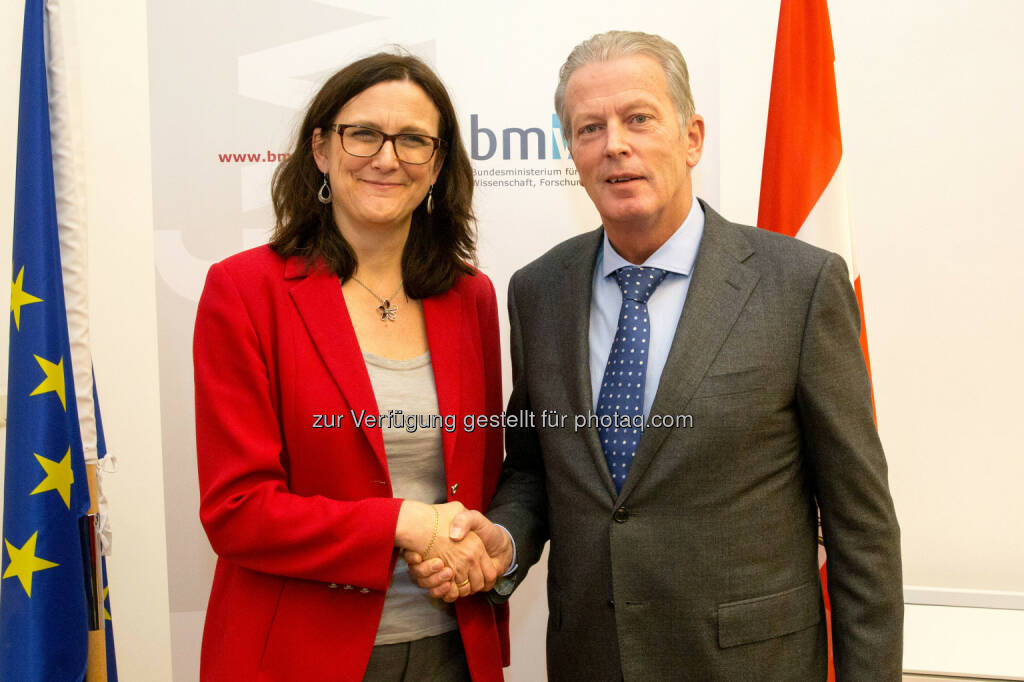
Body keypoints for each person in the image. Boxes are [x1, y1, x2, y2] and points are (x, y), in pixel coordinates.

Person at [408, 30, 903, 680]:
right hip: (592, 659)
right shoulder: (538, 291)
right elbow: (533, 470)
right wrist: (505, 540)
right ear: (573, 154)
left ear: (692, 136)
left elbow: (859, 525)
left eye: (638, 118)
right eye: (590, 128)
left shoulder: (799, 286)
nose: (614, 143)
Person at [193, 53, 507, 681]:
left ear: (438, 164)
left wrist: (485, 544)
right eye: (363, 133)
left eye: (414, 140)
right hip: (300, 654)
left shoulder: (471, 296)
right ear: (320, 148)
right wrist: (404, 522)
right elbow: (237, 510)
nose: (387, 159)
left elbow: (481, 482)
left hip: (453, 647)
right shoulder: (245, 291)